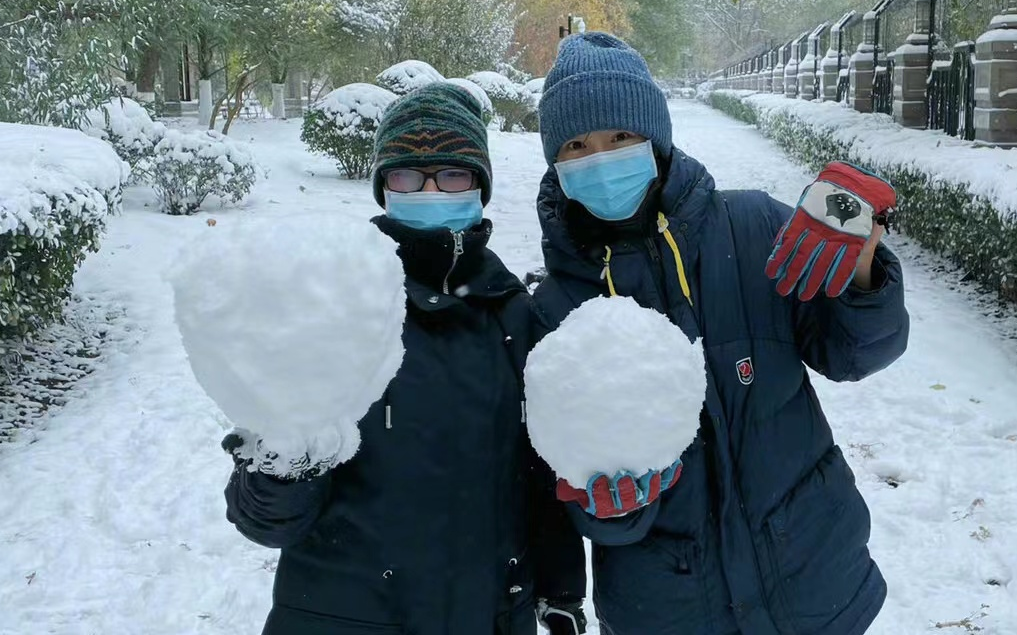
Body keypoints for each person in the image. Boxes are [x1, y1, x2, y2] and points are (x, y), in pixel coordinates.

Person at [532, 33, 910, 635]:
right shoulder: (555, 308)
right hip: (670, 608)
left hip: (813, 578)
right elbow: (578, 497)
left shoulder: (756, 228)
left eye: (621, 137)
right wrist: (612, 511)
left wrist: (862, 265)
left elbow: (855, 353)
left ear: (654, 138)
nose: (600, 158)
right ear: (555, 159)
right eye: (577, 144)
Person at [224, 82, 587, 635]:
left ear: (479, 186)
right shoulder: (330, 304)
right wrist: (282, 460)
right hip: (346, 616)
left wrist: (560, 592)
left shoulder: (514, 315)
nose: (430, 190)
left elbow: (538, 477)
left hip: (487, 613)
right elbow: (266, 522)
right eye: (407, 176)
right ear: (383, 187)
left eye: (453, 174)